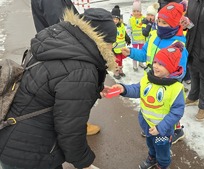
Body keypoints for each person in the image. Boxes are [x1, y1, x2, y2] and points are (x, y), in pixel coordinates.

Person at [0, 8, 117, 169]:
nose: (112, 48)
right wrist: (83, 162)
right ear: (103, 41)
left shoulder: (59, 41)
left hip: (12, 137)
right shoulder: (82, 70)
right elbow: (70, 128)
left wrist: (94, 88)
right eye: (112, 43)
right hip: (32, 154)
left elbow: (56, 81)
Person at [106, 42, 185, 169]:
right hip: (147, 124)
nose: (156, 66)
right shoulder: (148, 78)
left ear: (171, 67)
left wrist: (161, 128)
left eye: (161, 64)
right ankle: (152, 157)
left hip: (162, 131)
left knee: (162, 149)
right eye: (155, 62)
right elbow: (138, 89)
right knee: (151, 144)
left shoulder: (176, 88)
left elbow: (177, 112)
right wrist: (123, 89)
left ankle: (163, 165)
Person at [31, 0, 101, 136]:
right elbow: (63, 24)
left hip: (55, 45)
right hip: (63, 47)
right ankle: (79, 127)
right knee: (74, 88)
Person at [122, 2, 188, 144]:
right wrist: (131, 52)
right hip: (152, 79)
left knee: (168, 109)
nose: (160, 25)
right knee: (153, 106)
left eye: (165, 22)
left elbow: (180, 72)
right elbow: (145, 54)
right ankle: (151, 125)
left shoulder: (178, 45)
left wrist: (164, 78)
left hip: (167, 85)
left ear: (175, 24)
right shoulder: (153, 36)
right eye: (159, 21)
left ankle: (174, 130)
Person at [111, 5, 131, 79]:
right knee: (115, 61)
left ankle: (120, 70)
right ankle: (116, 72)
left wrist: (127, 39)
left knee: (120, 60)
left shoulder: (121, 25)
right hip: (114, 48)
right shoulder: (110, 26)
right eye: (113, 18)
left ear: (119, 19)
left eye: (117, 19)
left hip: (121, 47)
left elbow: (124, 33)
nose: (115, 20)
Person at [127, 0, 146, 71]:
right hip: (134, 39)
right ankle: (134, 65)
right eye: (134, 11)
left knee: (141, 52)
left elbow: (146, 28)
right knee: (134, 52)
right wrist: (128, 36)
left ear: (140, 11)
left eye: (137, 11)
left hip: (142, 39)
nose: (136, 13)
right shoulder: (131, 20)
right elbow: (129, 29)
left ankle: (141, 63)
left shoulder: (143, 19)